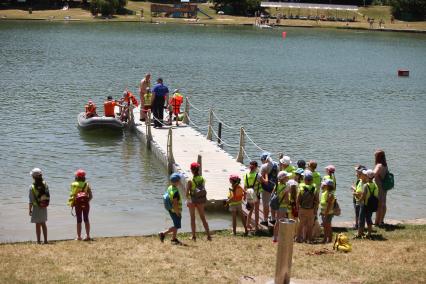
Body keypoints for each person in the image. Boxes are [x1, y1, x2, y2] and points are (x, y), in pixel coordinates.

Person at [185, 162, 212, 241]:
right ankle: (208, 235)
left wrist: (188, 200)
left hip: (192, 201)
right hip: (200, 200)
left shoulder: (190, 181)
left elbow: (186, 194)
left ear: (191, 170)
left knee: (192, 218)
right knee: (203, 218)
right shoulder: (202, 179)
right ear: (198, 170)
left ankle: (194, 236)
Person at [67, 169, 93, 241]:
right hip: (86, 204)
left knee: (79, 220)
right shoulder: (87, 184)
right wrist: (86, 201)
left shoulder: (74, 184)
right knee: (86, 219)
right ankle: (88, 236)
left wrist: (72, 204)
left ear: (76, 177)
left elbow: (73, 195)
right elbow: (91, 196)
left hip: (77, 204)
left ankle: (79, 236)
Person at [159, 173, 183, 245]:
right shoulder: (175, 192)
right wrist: (177, 212)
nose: (180, 182)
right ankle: (163, 233)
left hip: (170, 209)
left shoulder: (170, 187)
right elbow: (175, 204)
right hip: (175, 211)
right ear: (176, 182)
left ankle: (174, 239)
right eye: (179, 180)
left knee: (176, 224)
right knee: (177, 226)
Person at [296, 170, 318, 243]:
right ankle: (309, 239)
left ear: (304, 180)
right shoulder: (315, 189)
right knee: (310, 225)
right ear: (312, 180)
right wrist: (315, 210)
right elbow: (317, 201)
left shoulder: (301, 188)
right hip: (311, 209)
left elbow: (298, 200)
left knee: (301, 224)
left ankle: (298, 238)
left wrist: (297, 209)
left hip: (302, 209)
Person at [28, 168, 49, 244]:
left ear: (33, 177)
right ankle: (46, 240)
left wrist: (29, 210)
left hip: (36, 207)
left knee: (37, 224)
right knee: (43, 223)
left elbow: (30, 200)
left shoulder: (32, 187)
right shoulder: (45, 184)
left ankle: (38, 241)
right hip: (44, 206)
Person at [357, 169, 379, 238]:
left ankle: (359, 234)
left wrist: (359, 201)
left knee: (361, 219)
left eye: (366, 175)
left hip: (364, 205)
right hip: (371, 205)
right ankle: (369, 234)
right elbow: (376, 195)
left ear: (367, 177)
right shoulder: (375, 185)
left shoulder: (365, 185)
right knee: (369, 219)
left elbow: (363, 196)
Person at [259, 152, 278, 226]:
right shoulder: (276, 165)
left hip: (266, 188)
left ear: (264, 159)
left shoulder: (264, 166)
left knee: (265, 204)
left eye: (261, 159)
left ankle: (265, 220)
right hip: (274, 187)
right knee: (272, 203)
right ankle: (273, 219)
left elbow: (260, 178)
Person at [272, 171, 292, 243]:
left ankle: (275, 237)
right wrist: (290, 203)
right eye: (287, 177)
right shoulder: (286, 187)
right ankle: (279, 237)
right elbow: (287, 199)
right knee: (281, 222)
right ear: (283, 178)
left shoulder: (276, 185)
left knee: (278, 221)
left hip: (277, 205)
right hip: (283, 206)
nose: (288, 178)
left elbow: (273, 194)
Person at [244, 160, 262, 231]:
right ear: (256, 167)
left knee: (250, 210)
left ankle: (247, 224)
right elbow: (264, 182)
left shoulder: (246, 175)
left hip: (249, 193)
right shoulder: (258, 175)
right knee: (257, 210)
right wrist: (266, 175)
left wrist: (244, 195)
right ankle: (256, 226)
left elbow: (245, 186)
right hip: (256, 194)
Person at [374, 149, 388, 226]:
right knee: (383, 204)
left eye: (375, 156)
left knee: (379, 205)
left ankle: (376, 222)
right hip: (384, 187)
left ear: (378, 157)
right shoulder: (385, 165)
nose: (374, 157)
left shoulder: (378, 165)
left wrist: (365, 172)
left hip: (378, 187)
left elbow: (374, 174)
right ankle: (381, 221)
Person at [352, 165, 366, 229]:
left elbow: (362, 192)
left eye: (357, 171)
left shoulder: (362, 180)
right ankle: (357, 224)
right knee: (356, 211)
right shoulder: (359, 179)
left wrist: (354, 190)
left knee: (359, 213)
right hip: (356, 197)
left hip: (359, 198)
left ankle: (358, 225)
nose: (356, 172)